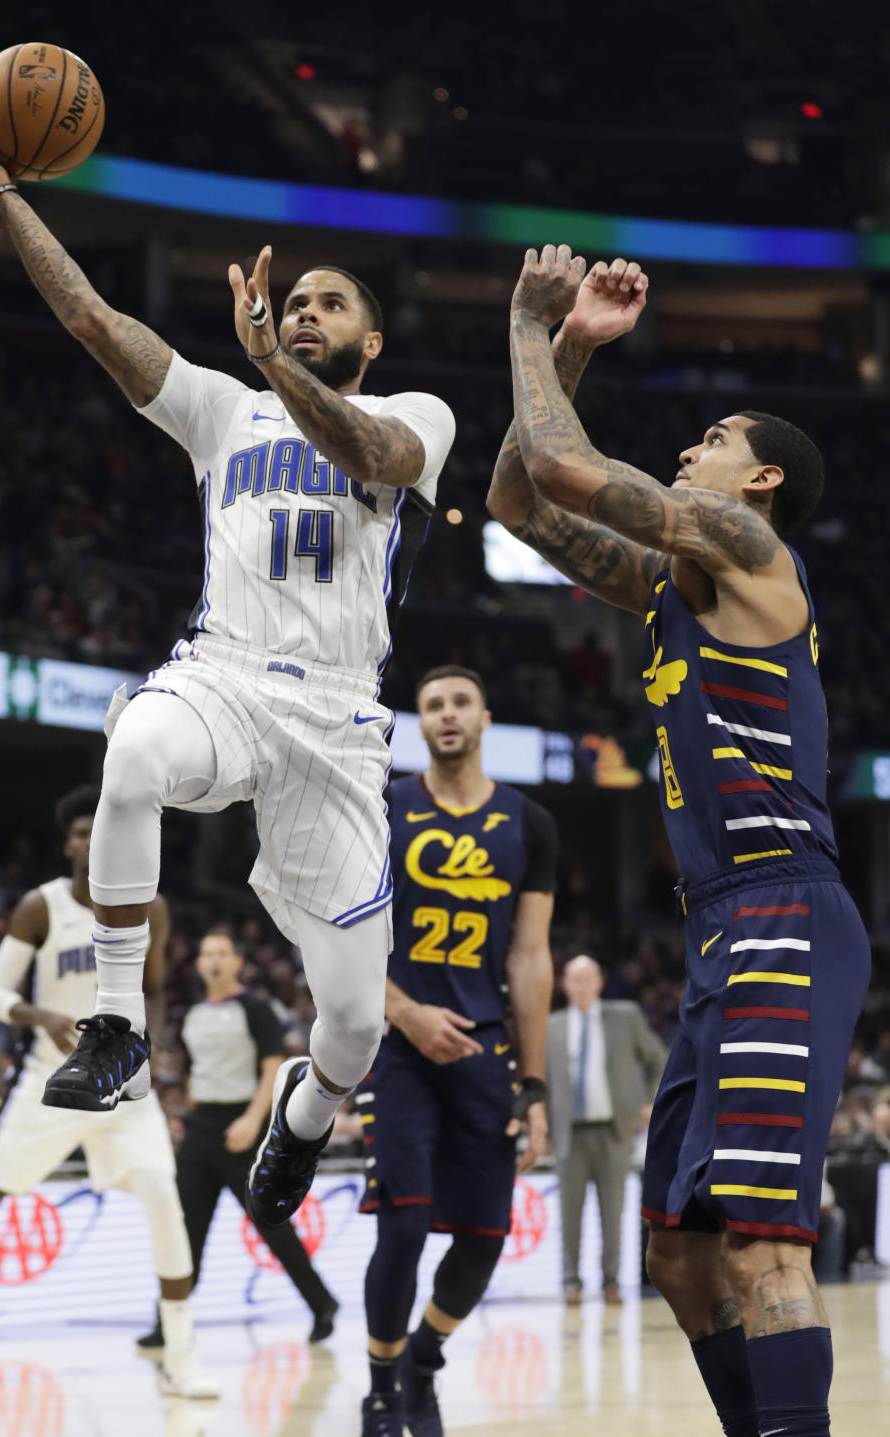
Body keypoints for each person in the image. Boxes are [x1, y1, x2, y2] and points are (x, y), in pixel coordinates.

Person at [0, 100, 455, 1230]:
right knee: (131, 750)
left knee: (354, 1025)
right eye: (291, 302)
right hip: (224, 673)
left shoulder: (416, 413)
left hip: (337, 721)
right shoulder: (221, 408)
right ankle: (116, 1026)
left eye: (330, 304)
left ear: (369, 342)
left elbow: (367, 449)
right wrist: (4, 192)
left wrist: (278, 361)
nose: (304, 312)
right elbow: (89, 316)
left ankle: (308, 1113)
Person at [490, 245, 871, 1437]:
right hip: (719, 925)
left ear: (756, 482)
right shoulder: (671, 587)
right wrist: (574, 352)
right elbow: (515, 499)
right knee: (679, 1256)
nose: (687, 450)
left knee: (762, 1252)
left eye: (709, 439)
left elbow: (559, 459)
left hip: (784, 909)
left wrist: (528, 323)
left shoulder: (758, 560)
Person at [0, 786, 216, 1398]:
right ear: (69, 843)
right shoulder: (42, 906)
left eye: (104, 829)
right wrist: (45, 1019)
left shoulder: (152, 908)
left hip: (123, 1086)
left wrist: (149, 1044)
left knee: (166, 1203)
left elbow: (158, 989)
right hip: (46, 1084)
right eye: (83, 831)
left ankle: (182, 1355)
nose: (94, 840)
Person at [358, 666, 557, 1437]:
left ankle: (423, 1362)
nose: (446, 714)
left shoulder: (530, 821)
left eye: (460, 702)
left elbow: (531, 957)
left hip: (486, 1046)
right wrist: (403, 1012)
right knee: (403, 1225)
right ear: (420, 723)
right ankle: (380, 1389)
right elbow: (341, 934)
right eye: (433, 704)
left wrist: (534, 1084)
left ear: (485, 717)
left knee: (483, 1238)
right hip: (402, 1045)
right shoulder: (384, 807)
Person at [137, 927, 338, 1351]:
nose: (214, 960)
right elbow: (193, 1071)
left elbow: (272, 1067)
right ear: (198, 964)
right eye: (207, 953)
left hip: (243, 1126)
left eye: (222, 953)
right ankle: (168, 1322)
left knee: (271, 1224)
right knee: (184, 1229)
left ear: (236, 962)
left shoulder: (255, 1008)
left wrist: (252, 1119)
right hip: (201, 1129)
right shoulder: (191, 1013)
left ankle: (322, 1304)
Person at [547, 953, 668, 1305]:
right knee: (569, 1214)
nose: (581, 986)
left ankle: (611, 1282)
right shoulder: (551, 1026)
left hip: (614, 1128)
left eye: (588, 979)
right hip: (568, 1132)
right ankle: (571, 1283)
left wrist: (650, 1101)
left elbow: (659, 1058)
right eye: (574, 979)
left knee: (612, 1211)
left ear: (599, 983)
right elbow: (542, 1081)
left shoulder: (625, 1017)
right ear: (565, 985)